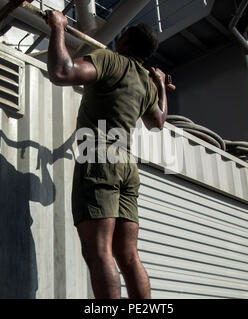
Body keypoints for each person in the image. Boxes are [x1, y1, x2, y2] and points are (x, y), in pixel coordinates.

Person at [45, 10, 168, 298]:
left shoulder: (111, 60)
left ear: (124, 42)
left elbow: (62, 71)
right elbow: (158, 122)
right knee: (128, 256)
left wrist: (58, 27)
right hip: (127, 165)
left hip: (99, 156)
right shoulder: (147, 83)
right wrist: (161, 85)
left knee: (99, 251)